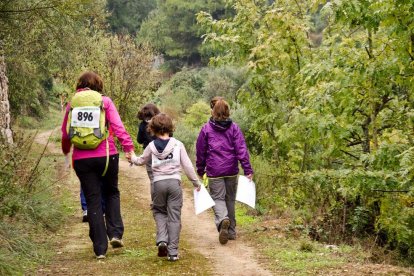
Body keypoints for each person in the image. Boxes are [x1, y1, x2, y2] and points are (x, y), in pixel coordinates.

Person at [61, 71, 134, 259]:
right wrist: (128, 147)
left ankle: (100, 249)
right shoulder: (105, 101)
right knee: (111, 192)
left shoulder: (72, 104)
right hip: (107, 155)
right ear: (98, 85)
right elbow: (118, 126)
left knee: (92, 198)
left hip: (81, 159)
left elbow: (65, 132)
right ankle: (115, 233)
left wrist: (66, 150)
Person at [129, 113, 201, 261]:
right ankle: (173, 253)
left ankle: (162, 239)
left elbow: (141, 161)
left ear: (153, 129)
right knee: (174, 217)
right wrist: (196, 182)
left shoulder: (151, 146)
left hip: (158, 184)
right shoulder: (177, 144)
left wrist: (132, 158)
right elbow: (187, 165)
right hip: (174, 183)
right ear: (170, 127)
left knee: (159, 211)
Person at [195, 96, 253, 245]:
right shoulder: (234, 128)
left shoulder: (206, 129)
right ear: (228, 111)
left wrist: (200, 169)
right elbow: (241, 149)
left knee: (218, 199)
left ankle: (222, 219)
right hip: (231, 170)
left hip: (214, 171)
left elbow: (200, 151)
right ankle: (231, 232)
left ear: (213, 111)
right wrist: (247, 169)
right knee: (230, 200)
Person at [137, 103, 160, 199]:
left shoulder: (142, 125)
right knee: (162, 177)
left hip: (149, 154)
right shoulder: (160, 123)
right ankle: (163, 200)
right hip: (162, 152)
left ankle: (155, 202)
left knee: (153, 179)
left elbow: (139, 140)